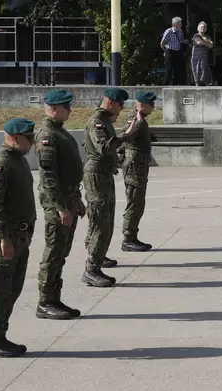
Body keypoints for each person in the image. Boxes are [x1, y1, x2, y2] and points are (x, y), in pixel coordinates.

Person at [0, 118, 37, 357]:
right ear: (14, 137)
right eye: (29, 137)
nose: (33, 142)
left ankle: (0, 334)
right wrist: (4, 239)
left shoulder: (18, 160)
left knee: (12, 288)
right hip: (4, 237)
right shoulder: (0, 164)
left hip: (20, 235)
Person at [34, 90, 86, 320]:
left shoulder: (59, 131)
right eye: (66, 106)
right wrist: (60, 206)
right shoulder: (48, 135)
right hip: (59, 203)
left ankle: (55, 298)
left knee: (62, 252)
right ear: (53, 109)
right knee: (54, 253)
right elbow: (48, 176)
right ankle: (45, 302)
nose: (70, 110)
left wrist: (77, 201)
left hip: (69, 198)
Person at [82, 88, 140, 287]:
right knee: (100, 222)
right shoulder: (97, 121)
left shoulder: (106, 120)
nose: (122, 107)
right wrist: (126, 135)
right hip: (96, 175)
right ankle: (91, 269)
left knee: (106, 220)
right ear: (109, 101)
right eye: (119, 103)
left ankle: (98, 256)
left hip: (104, 174)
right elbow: (104, 147)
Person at [119, 91, 156, 252]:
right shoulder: (135, 119)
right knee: (134, 202)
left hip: (139, 167)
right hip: (134, 168)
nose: (154, 107)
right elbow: (125, 137)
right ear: (142, 105)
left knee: (138, 202)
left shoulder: (140, 119)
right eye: (151, 104)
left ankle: (132, 236)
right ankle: (128, 238)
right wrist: (139, 123)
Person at [160, 17, 187, 85]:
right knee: (169, 69)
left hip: (177, 52)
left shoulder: (180, 32)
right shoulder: (169, 31)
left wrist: (184, 41)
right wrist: (165, 51)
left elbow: (180, 41)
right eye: (180, 23)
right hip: (169, 51)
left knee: (177, 69)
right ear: (175, 24)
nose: (181, 25)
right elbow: (162, 43)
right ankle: (165, 84)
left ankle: (175, 84)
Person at [191, 21, 214, 86]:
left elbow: (211, 45)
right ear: (198, 28)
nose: (202, 28)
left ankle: (204, 82)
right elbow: (198, 42)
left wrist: (204, 41)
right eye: (201, 27)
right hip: (196, 56)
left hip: (205, 56)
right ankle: (197, 82)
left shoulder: (207, 36)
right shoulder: (196, 35)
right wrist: (207, 42)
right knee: (196, 68)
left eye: (204, 27)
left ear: (206, 29)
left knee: (204, 68)